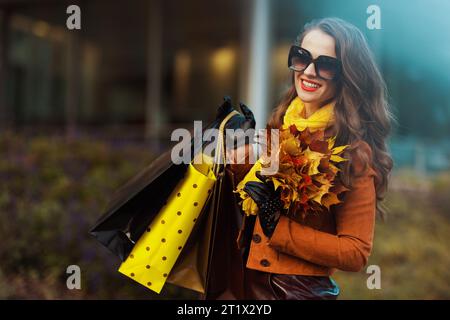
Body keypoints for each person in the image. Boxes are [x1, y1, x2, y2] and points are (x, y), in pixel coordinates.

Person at [229, 17, 393, 300]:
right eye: (302, 58)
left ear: (348, 75)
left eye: (326, 65)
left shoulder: (353, 152)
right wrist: (235, 151)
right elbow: (254, 196)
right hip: (241, 282)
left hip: (294, 292)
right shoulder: (281, 124)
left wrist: (277, 227)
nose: (310, 72)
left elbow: (355, 252)